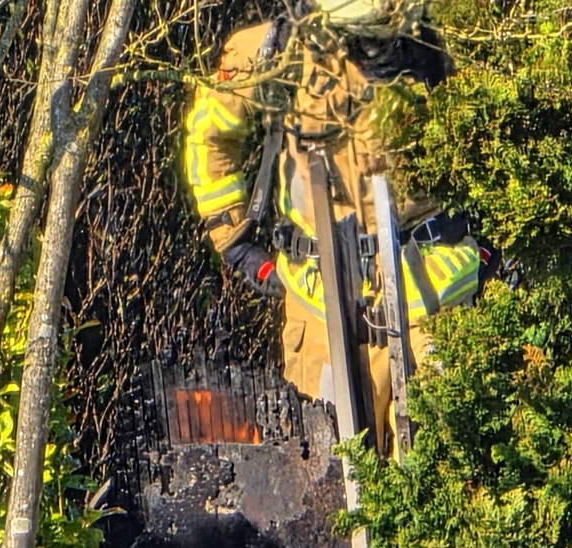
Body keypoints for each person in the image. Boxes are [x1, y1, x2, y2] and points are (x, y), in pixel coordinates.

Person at [184, 0, 499, 452]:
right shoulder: (276, 51)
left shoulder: (452, 38)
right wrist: (233, 237)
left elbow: (521, 135)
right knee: (331, 484)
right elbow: (211, 137)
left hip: (435, 306)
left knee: (441, 488)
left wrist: (499, 242)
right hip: (320, 309)